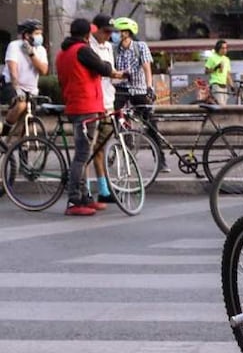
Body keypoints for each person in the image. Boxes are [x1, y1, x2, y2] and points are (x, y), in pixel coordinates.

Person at [55, 18, 124, 216]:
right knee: (82, 155)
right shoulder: (82, 50)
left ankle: (85, 197)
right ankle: (74, 200)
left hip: (76, 104)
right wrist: (114, 71)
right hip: (86, 106)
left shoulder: (62, 53)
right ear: (87, 35)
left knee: (84, 154)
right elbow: (102, 67)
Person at [112, 17, 167, 173]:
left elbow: (147, 68)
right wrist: (119, 76)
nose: (117, 34)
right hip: (121, 89)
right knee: (113, 120)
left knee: (150, 123)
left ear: (127, 33)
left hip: (139, 89)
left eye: (119, 31)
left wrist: (149, 87)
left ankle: (160, 159)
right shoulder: (114, 49)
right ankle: (118, 151)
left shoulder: (140, 47)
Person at [88, 14, 118, 205]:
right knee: (88, 150)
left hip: (108, 101)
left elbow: (110, 72)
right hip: (93, 102)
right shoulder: (88, 47)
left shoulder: (108, 47)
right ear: (96, 29)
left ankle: (104, 188)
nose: (108, 36)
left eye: (111, 32)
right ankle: (87, 189)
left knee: (102, 147)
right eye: (105, 32)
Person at [2, 18, 48, 141]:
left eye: (40, 34)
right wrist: (17, 89)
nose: (39, 37)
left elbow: (43, 70)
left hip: (31, 89)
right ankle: (4, 132)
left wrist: (31, 54)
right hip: (13, 85)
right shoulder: (14, 46)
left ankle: (21, 147)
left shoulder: (41, 50)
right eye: (36, 33)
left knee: (28, 118)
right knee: (21, 104)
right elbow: (12, 70)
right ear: (27, 35)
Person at [205, 39, 233, 105]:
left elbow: (228, 74)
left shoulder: (226, 59)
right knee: (220, 106)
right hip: (216, 84)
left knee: (224, 106)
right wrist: (216, 67)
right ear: (218, 48)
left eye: (226, 48)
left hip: (224, 86)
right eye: (223, 48)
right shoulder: (212, 58)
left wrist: (232, 86)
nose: (225, 50)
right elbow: (206, 71)